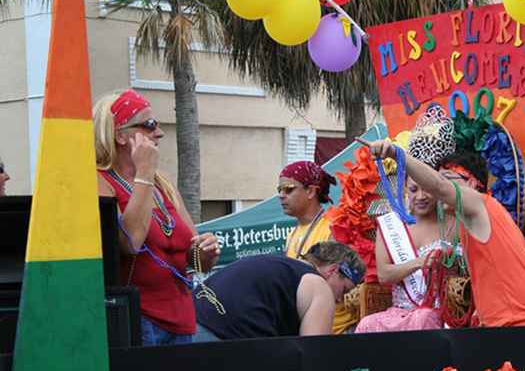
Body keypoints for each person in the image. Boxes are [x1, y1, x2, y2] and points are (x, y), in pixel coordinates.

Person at [363, 140, 525, 327]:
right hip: (520, 324)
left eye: (448, 179)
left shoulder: (479, 204)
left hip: (518, 325)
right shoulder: (487, 217)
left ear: (472, 184)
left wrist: (397, 154)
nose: (435, 192)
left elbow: (439, 186)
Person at [94, 89, 220, 346]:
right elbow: (130, 242)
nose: (159, 132)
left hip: (183, 320)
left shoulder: (163, 184)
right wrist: (144, 173)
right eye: (149, 125)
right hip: (142, 320)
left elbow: (193, 257)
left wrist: (205, 252)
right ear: (120, 135)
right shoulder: (100, 180)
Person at [193, 241, 364, 341]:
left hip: (188, 321)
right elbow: (313, 354)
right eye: (344, 290)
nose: (341, 300)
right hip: (220, 335)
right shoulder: (319, 286)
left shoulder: (280, 266)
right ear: (333, 270)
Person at [355, 178, 447, 333]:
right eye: (413, 189)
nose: (421, 196)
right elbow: (384, 275)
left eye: (427, 189)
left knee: (424, 318)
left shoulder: (450, 222)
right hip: (400, 311)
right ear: (404, 189)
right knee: (367, 324)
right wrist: (419, 263)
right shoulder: (391, 225)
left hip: (438, 309)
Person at [277, 161, 358, 335]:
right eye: (280, 190)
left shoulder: (333, 227)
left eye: (289, 189)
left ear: (311, 191)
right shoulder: (292, 234)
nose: (281, 195)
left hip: (337, 332)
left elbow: (346, 285)